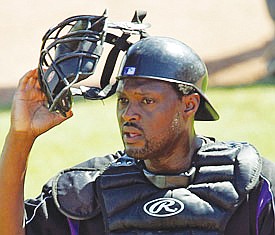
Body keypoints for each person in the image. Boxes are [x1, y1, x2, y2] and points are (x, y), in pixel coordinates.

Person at [0, 36, 275, 235]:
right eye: (123, 100)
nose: (128, 114)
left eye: (147, 101)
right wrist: (21, 137)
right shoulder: (87, 192)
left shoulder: (252, 185)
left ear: (189, 105)